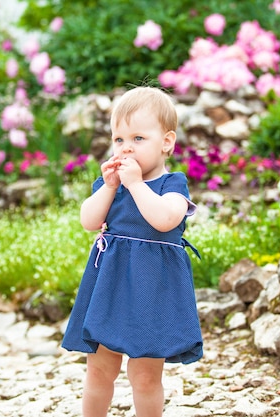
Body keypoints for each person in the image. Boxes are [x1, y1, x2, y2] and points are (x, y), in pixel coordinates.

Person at [61, 86, 203, 417]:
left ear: (166, 142)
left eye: (138, 138)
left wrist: (137, 185)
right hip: (109, 286)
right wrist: (109, 187)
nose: (126, 148)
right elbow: (88, 220)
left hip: (151, 289)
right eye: (119, 139)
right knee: (98, 368)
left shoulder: (172, 185)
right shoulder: (112, 186)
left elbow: (166, 220)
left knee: (144, 375)